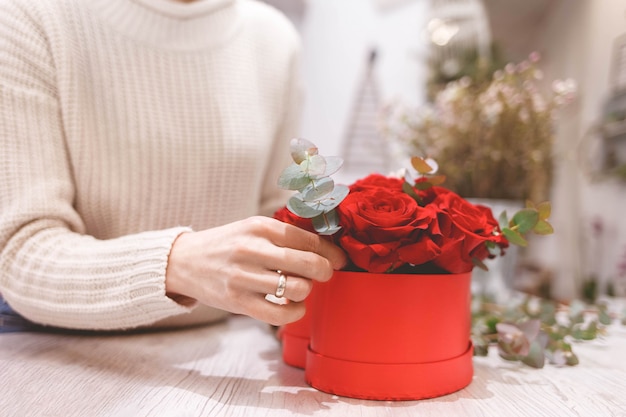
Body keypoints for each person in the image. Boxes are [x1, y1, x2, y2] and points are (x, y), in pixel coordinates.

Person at [0, 0, 346, 331]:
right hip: (52, 354)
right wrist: (176, 265)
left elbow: (276, 212)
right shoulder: (29, 17)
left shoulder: (273, 37)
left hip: (228, 351)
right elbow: (20, 257)